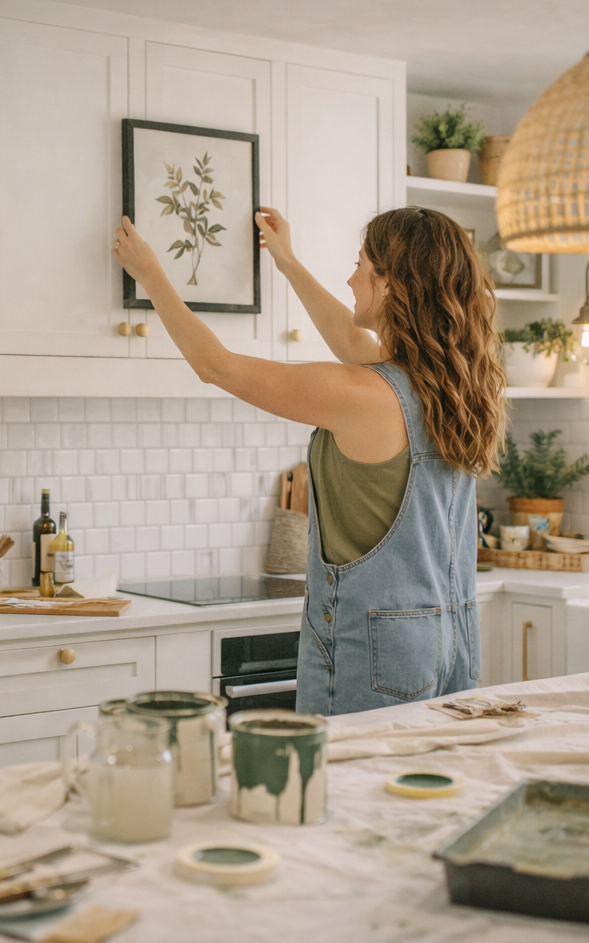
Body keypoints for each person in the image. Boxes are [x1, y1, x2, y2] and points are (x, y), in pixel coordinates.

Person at [113, 205, 505, 715]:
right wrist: (287, 262)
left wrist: (151, 275)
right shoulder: (452, 387)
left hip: (375, 653)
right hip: (451, 641)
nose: (350, 277)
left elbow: (216, 366)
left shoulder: (363, 394)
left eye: (361, 264)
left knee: (348, 790)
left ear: (392, 284)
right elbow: (350, 341)